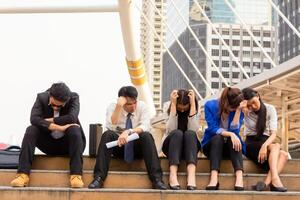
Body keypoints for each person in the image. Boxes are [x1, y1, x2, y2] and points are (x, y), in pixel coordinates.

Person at [88, 86, 167, 190]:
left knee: (146, 135)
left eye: (135, 102)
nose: (133, 106)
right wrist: (118, 107)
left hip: (137, 148)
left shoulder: (142, 106)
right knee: (107, 134)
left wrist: (129, 131)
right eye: (129, 104)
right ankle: (98, 178)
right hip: (120, 147)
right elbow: (111, 126)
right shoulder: (113, 107)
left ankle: (157, 179)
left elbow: (145, 125)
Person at [11, 82, 86, 188]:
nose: (56, 108)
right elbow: (34, 119)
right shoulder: (41, 98)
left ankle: (76, 175)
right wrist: (60, 127)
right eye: (53, 104)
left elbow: (72, 118)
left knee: (74, 128)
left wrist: (48, 120)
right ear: (49, 95)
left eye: (60, 106)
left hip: (68, 145)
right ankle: (22, 175)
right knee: (31, 130)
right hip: (48, 144)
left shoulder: (74, 97)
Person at [242, 87, 288, 192]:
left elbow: (273, 134)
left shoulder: (270, 109)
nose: (253, 107)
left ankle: (265, 183)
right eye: (249, 105)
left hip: (266, 143)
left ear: (258, 96)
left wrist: (264, 146)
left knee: (284, 154)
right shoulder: (245, 111)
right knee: (276, 147)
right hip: (251, 143)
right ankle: (274, 180)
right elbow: (234, 124)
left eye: (253, 102)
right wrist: (241, 109)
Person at [201, 87, 245, 191]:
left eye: (236, 108)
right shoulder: (210, 106)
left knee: (233, 138)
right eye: (232, 108)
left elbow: (235, 132)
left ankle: (239, 177)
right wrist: (229, 133)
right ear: (225, 102)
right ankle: (214, 177)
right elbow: (212, 128)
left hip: (230, 149)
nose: (233, 110)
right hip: (212, 147)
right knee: (218, 137)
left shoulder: (239, 109)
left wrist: (238, 111)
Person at [161, 89, 201, 190]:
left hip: (189, 148)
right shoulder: (167, 105)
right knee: (177, 133)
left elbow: (193, 129)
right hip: (171, 146)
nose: (182, 110)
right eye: (180, 107)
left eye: (185, 107)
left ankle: (191, 177)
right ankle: (173, 175)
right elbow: (171, 129)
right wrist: (173, 106)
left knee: (190, 134)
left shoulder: (195, 106)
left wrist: (192, 106)